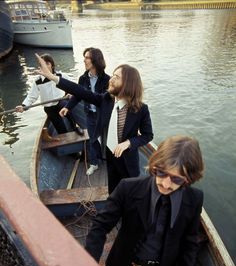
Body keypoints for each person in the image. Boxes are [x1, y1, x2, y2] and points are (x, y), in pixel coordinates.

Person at [85, 135, 204, 266]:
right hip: (131, 262)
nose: (165, 184)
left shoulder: (195, 198)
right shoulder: (128, 187)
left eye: (176, 179)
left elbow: (190, 239)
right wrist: (89, 262)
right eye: (161, 173)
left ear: (189, 178)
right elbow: (100, 226)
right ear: (155, 165)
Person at [35, 53, 153, 193]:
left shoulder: (141, 109)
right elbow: (81, 91)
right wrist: (53, 77)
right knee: (113, 192)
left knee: (131, 192)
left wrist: (129, 143)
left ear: (128, 83)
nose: (111, 79)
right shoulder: (106, 100)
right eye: (113, 75)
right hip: (109, 156)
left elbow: (147, 135)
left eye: (117, 77)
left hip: (128, 161)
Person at [60, 47, 110, 175]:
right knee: (93, 139)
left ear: (95, 60)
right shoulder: (83, 79)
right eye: (85, 57)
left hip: (104, 115)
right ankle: (94, 163)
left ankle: (108, 159)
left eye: (87, 58)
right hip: (90, 114)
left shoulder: (107, 79)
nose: (84, 60)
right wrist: (67, 107)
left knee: (108, 139)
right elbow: (78, 95)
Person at [15, 53, 79, 134]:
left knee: (65, 106)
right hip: (49, 107)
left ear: (52, 65)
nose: (45, 66)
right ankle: (64, 135)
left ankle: (75, 127)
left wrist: (71, 93)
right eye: (42, 64)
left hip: (61, 102)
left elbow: (73, 86)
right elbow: (31, 96)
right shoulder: (38, 81)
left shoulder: (60, 76)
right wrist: (23, 106)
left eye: (47, 63)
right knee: (61, 130)